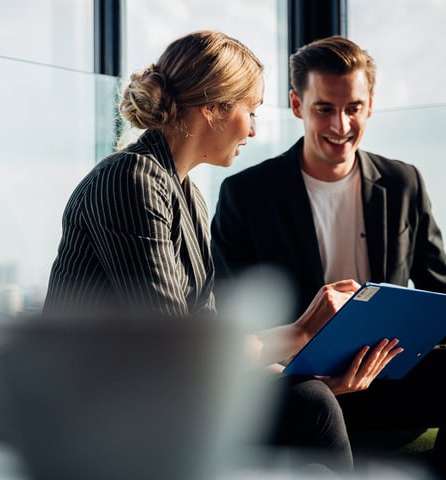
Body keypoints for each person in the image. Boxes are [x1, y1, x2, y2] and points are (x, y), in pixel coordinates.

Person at [43, 30, 403, 474]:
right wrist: (302, 332)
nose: (253, 129)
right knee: (309, 405)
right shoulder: (131, 181)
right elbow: (181, 355)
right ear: (212, 108)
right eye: (249, 111)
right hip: (102, 415)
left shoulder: (186, 195)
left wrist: (306, 373)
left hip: (165, 400)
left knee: (310, 397)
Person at [210, 34, 446, 472]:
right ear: (298, 105)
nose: (341, 125)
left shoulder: (404, 182)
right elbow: (232, 313)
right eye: (324, 109)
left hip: (391, 374)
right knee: (308, 401)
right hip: (301, 385)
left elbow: (439, 290)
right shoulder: (247, 195)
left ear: (370, 104)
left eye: (353, 108)